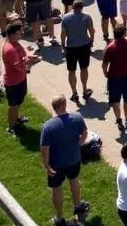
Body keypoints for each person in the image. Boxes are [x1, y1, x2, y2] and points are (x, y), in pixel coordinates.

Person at [40, 94, 89, 226]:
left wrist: (46, 165)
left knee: (56, 188)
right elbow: (84, 133)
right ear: (64, 105)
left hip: (56, 165)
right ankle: (77, 206)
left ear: (54, 108)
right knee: (74, 180)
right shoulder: (77, 118)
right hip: (74, 159)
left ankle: (60, 218)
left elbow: (45, 148)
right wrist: (78, 144)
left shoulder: (48, 126)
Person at [3, 20, 38, 134]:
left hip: (21, 79)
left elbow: (24, 51)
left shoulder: (16, 43)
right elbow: (18, 67)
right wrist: (31, 62)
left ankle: (17, 119)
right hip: (13, 83)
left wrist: (29, 56)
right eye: (19, 32)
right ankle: (11, 127)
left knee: (18, 102)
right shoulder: (10, 50)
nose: (21, 34)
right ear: (13, 34)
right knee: (13, 105)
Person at [104, 24, 127, 133]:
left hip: (114, 77)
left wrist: (106, 74)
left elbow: (104, 64)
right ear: (124, 33)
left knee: (115, 100)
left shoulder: (110, 47)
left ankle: (118, 120)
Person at [61, 0, 96, 103]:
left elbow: (63, 34)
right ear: (82, 7)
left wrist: (63, 45)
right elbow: (91, 30)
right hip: (84, 46)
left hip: (71, 47)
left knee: (71, 71)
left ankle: (74, 93)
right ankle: (85, 90)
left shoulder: (66, 18)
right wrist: (91, 40)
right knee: (84, 68)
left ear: (73, 6)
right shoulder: (87, 17)